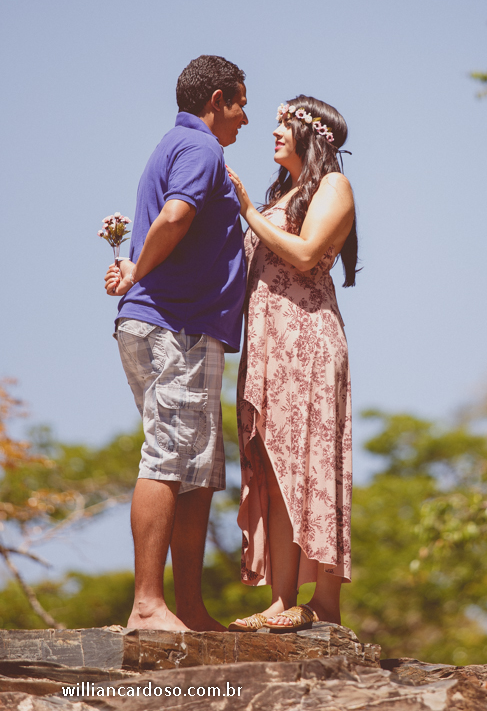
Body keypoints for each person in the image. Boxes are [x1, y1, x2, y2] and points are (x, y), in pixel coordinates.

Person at [104, 54, 248, 632]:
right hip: (174, 325)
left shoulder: (177, 144)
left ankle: (187, 606)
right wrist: (137, 270)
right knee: (170, 454)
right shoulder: (201, 148)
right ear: (216, 101)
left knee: (198, 465)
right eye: (240, 103)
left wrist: (134, 269)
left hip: (180, 326)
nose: (245, 117)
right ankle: (147, 605)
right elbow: (175, 215)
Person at [225, 96, 358, 631]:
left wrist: (248, 212)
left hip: (309, 341)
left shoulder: (334, 186)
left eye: (285, 123)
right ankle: (282, 599)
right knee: (276, 465)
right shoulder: (281, 196)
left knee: (315, 463)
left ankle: (324, 603)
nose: (274, 131)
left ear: (313, 134)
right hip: (268, 346)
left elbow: (304, 255)